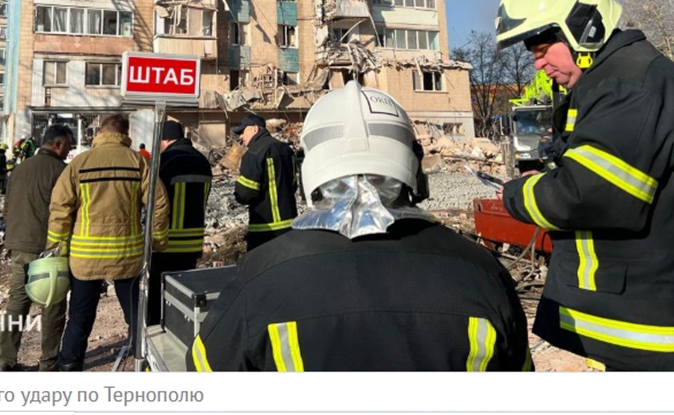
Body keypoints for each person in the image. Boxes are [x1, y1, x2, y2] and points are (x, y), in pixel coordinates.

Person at [188, 81, 532, 371]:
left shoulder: (261, 276)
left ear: (310, 166)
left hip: (268, 229)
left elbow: (202, 375)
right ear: (414, 161)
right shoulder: (482, 271)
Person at [494, 0, 674, 371]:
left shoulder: (627, 85)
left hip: (666, 336)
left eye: (541, 48)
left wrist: (518, 193)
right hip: (648, 323)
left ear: (582, 26)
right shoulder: (615, 81)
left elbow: (589, 194)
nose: (537, 63)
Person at [46, 114, 169, 371]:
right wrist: (157, 242)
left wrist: (56, 248)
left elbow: (60, 209)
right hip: (126, 256)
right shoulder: (138, 162)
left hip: (85, 257)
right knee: (136, 315)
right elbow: (159, 204)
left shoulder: (80, 163)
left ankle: (69, 365)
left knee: (79, 317)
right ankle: (143, 359)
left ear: (100, 133)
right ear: (125, 135)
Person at [0, 124, 74, 372]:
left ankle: (6, 360)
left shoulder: (19, 169)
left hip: (19, 245)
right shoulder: (61, 171)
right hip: (48, 249)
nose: (70, 149)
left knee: (17, 304)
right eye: (68, 145)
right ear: (58, 144)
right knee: (52, 306)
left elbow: (7, 207)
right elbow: (68, 211)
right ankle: (48, 362)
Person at [146, 120, 212, 326]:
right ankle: (181, 329)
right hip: (193, 241)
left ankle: (155, 328)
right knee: (184, 292)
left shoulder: (165, 161)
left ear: (165, 140)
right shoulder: (203, 161)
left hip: (168, 240)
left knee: (158, 292)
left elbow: (155, 200)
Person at [232, 113, 298, 251]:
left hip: (265, 229)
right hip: (290, 224)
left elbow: (246, 193)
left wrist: (237, 193)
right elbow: (293, 185)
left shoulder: (253, 153)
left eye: (243, 132)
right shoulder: (286, 150)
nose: (241, 137)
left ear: (255, 129)